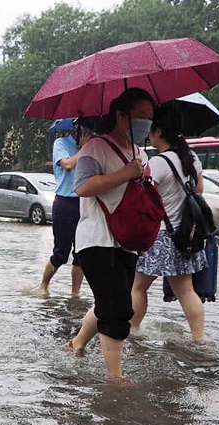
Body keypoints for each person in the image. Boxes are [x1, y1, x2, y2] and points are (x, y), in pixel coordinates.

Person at [63, 88, 156, 379]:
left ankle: (77, 344)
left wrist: (139, 175)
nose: (147, 124)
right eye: (141, 117)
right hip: (96, 240)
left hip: (127, 241)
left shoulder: (140, 153)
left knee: (111, 302)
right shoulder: (95, 148)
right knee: (118, 309)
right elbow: (82, 186)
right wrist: (125, 174)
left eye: (150, 118)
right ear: (121, 114)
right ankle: (116, 379)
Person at [130, 106, 208, 342]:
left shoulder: (160, 162)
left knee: (138, 287)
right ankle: (199, 337)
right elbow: (199, 192)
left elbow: (145, 198)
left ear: (159, 132)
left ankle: (132, 331)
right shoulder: (192, 158)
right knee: (186, 290)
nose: (147, 135)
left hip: (161, 235)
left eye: (150, 130)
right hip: (186, 234)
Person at [35, 121, 89, 298]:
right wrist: (84, 148)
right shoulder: (61, 143)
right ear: (76, 129)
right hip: (65, 203)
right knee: (61, 253)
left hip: (85, 203)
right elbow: (67, 165)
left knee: (81, 253)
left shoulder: (92, 146)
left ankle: (75, 293)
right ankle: (43, 285)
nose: (90, 133)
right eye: (86, 129)